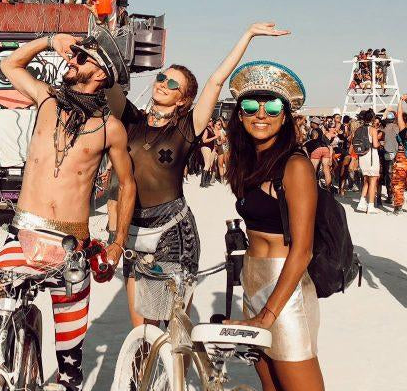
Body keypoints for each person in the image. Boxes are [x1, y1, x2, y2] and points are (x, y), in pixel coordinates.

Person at [0, 29, 135, 391]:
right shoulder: (47, 100)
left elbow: (128, 184)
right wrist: (50, 40)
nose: (72, 60)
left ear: (101, 74)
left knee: (70, 353)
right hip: (23, 235)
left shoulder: (110, 129)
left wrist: (117, 242)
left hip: (72, 246)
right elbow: (11, 64)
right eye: (74, 56)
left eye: (82, 58)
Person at [106, 22, 287, 327]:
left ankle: (178, 374)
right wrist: (99, 35)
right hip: (133, 231)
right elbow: (108, 81)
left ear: (183, 99)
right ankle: (144, 376)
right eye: (162, 77)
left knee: (174, 330)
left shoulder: (186, 128)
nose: (162, 83)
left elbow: (216, 81)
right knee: (142, 333)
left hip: (172, 232)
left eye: (173, 84)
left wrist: (248, 35)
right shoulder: (131, 120)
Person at [221, 61, 324, 391]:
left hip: (286, 286)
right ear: (240, 115)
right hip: (253, 278)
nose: (260, 114)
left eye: (272, 105)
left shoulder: (295, 166)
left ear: (285, 115)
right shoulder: (248, 162)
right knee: (271, 386)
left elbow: (303, 250)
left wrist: (268, 313)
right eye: (250, 106)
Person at [354, 109, 382, 214]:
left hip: (362, 157)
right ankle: (370, 206)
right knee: (373, 182)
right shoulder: (373, 130)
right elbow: (375, 145)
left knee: (366, 180)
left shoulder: (358, 129)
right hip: (371, 157)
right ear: (372, 119)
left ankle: (361, 202)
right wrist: (380, 143)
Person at [199, 123, 218, 187]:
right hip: (205, 147)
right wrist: (214, 137)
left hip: (211, 147)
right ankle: (202, 183)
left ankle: (207, 181)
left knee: (210, 164)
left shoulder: (211, 129)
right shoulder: (205, 130)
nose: (211, 122)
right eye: (209, 121)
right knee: (207, 164)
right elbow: (204, 140)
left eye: (212, 121)